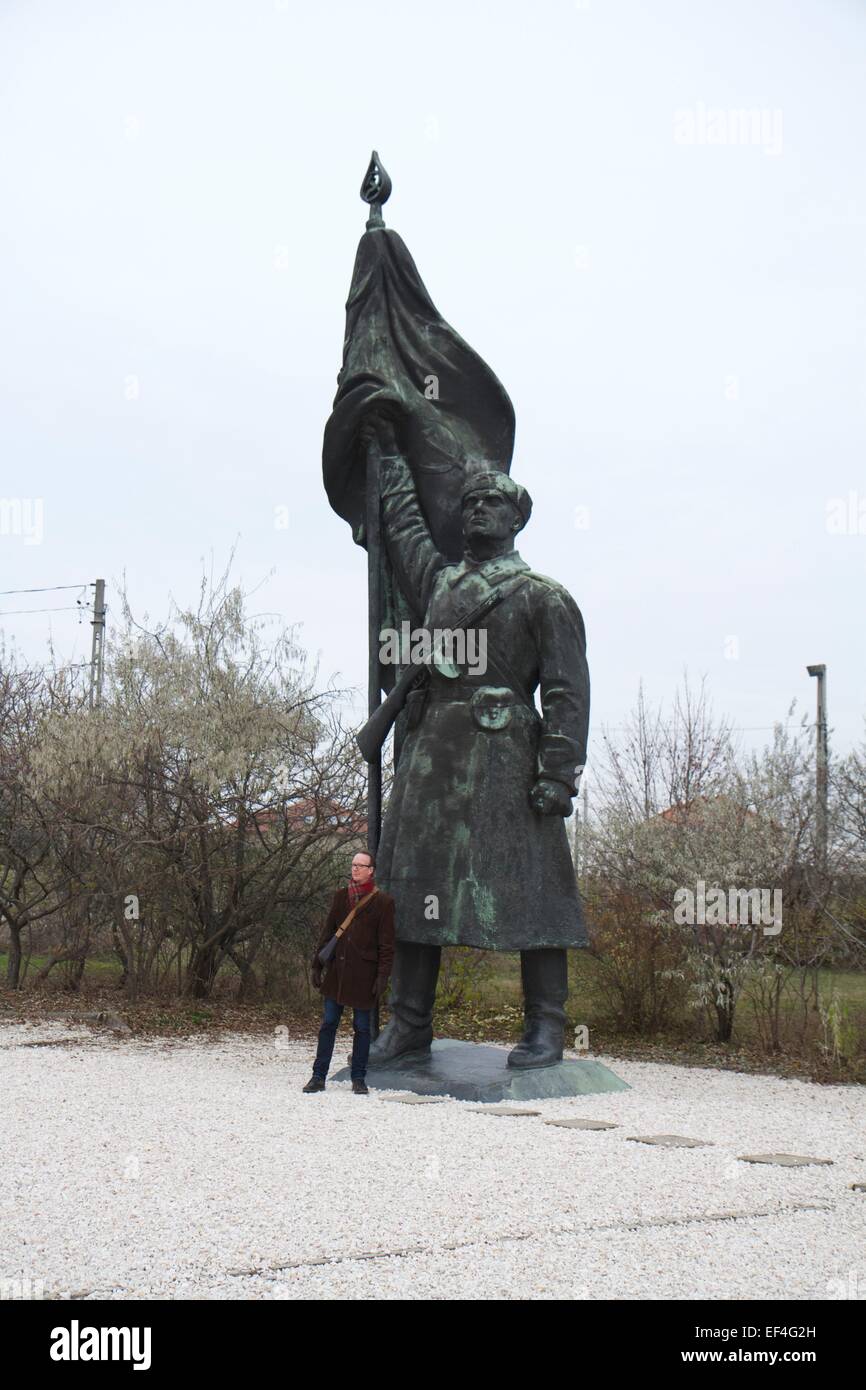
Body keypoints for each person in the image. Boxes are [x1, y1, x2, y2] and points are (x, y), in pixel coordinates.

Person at [361, 413, 590, 1071]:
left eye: (493, 503)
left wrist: (557, 774)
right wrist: (389, 454)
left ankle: (546, 1028)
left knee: (535, 896)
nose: (478, 512)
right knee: (411, 892)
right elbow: (403, 529)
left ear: (517, 519)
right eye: (470, 504)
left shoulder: (543, 598)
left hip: (506, 757)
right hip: (434, 755)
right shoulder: (440, 585)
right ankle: (409, 1027)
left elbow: (568, 693)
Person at [303, 851, 395, 1094]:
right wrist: (317, 964)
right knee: (328, 1024)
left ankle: (359, 1078)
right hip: (337, 973)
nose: (355, 869)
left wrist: (382, 977)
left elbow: (387, 945)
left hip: (364, 975)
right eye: (353, 865)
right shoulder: (341, 897)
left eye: (360, 865)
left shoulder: (384, 902)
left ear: (371, 870)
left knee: (362, 1028)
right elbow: (328, 932)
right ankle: (318, 1076)